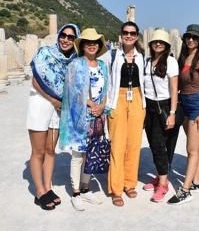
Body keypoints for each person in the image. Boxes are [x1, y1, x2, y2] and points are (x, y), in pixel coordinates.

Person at [26, 23, 80, 210]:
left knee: (51, 149)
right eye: (63, 35)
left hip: (58, 108)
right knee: (38, 151)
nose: (66, 39)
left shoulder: (73, 60)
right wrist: (52, 99)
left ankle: (47, 188)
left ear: (75, 40)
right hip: (41, 103)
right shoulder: (45, 53)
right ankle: (39, 192)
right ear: (58, 36)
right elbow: (36, 79)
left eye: (71, 37)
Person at [59, 28, 108, 211]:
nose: (92, 44)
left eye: (95, 41)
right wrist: (90, 105)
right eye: (88, 42)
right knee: (78, 155)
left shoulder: (102, 65)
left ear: (99, 45)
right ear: (83, 45)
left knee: (91, 154)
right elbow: (72, 91)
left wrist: (101, 106)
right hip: (80, 117)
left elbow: (106, 89)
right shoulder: (75, 65)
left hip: (97, 117)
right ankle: (76, 192)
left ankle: (86, 188)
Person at [167, 24, 199, 205]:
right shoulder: (183, 57)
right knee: (196, 146)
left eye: (194, 37)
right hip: (184, 103)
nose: (190, 40)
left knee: (191, 149)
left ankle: (185, 190)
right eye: (188, 37)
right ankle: (197, 182)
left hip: (197, 104)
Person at [103, 21, 146, 207]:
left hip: (137, 99)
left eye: (132, 33)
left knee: (134, 144)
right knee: (117, 145)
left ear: (137, 36)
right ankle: (116, 188)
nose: (129, 36)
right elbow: (104, 81)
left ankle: (129, 183)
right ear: (121, 35)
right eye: (126, 33)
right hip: (117, 100)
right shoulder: (111, 55)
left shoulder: (141, 56)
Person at [143, 29, 179, 202]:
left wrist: (172, 113)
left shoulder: (171, 62)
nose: (158, 44)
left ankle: (163, 184)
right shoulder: (147, 60)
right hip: (148, 107)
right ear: (151, 44)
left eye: (161, 42)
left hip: (163, 106)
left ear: (166, 46)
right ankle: (159, 176)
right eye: (155, 41)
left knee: (159, 145)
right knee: (152, 144)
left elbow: (174, 89)